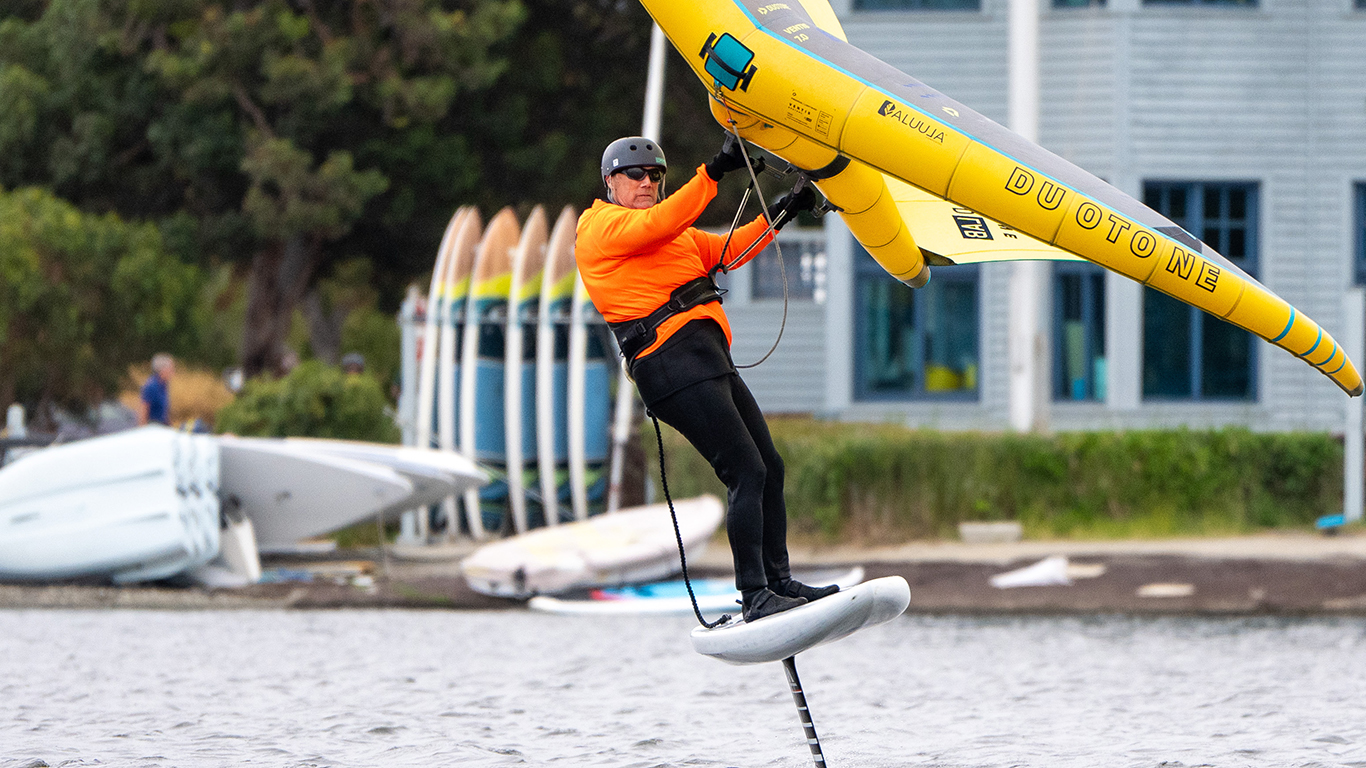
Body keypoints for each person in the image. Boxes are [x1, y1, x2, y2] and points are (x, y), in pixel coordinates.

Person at [575, 135, 832, 623]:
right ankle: (755, 595)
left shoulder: (672, 235)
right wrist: (715, 169)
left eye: (655, 175)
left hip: (705, 356)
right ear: (611, 183)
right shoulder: (600, 227)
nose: (647, 182)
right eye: (636, 175)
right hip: (669, 364)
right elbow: (661, 219)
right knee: (745, 471)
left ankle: (780, 583)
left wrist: (787, 208)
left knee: (769, 466)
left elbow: (728, 250)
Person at [139, 353, 174, 426]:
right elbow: (143, 411)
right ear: (162, 370)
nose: (172, 372)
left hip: (162, 426)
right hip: (152, 427)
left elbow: (164, 411)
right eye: (171, 369)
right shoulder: (151, 386)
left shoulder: (164, 384)